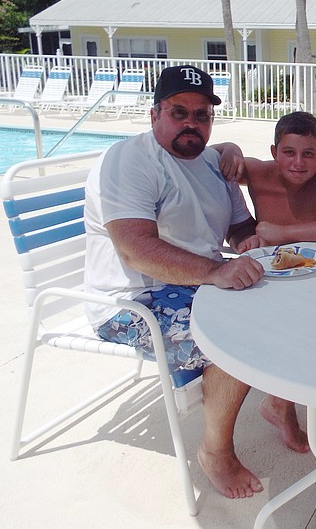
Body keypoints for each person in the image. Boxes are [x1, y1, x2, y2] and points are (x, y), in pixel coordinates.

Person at [84, 65, 266, 500]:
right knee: (233, 340)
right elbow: (134, 249)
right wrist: (215, 271)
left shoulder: (212, 163)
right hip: (131, 301)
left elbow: (239, 230)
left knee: (279, 307)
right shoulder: (130, 161)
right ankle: (215, 452)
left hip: (192, 285)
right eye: (178, 112)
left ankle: (280, 406)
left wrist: (252, 243)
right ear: (154, 115)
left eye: (201, 115)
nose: (191, 123)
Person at [216, 111, 316, 453]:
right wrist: (230, 145)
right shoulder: (256, 173)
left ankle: (281, 403)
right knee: (278, 320)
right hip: (274, 279)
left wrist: (281, 234)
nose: (299, 163)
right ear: (273, 151)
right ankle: (282, 405)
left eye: (308, 154)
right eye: (289, 152)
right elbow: (216, 155)